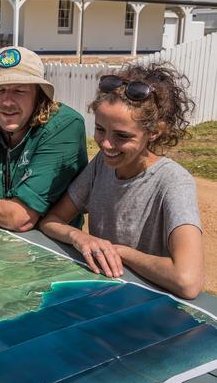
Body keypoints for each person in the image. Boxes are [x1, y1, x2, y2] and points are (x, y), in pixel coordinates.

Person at [0, 46, 88, 321]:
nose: (7, 102)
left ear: (39, 97)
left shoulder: (64, 126)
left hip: (55, 264)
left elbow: (20, 217)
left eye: (20, 91)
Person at [39, 63, 203, 299]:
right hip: (108, 295)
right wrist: (81, 237)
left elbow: (187, 280)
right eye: (99, 129)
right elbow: (52, 221)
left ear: (154, 132)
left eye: (122, 136)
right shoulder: (102, 166)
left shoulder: (174, 182)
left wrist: (121, 253)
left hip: (148, 306)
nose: (106, 144)